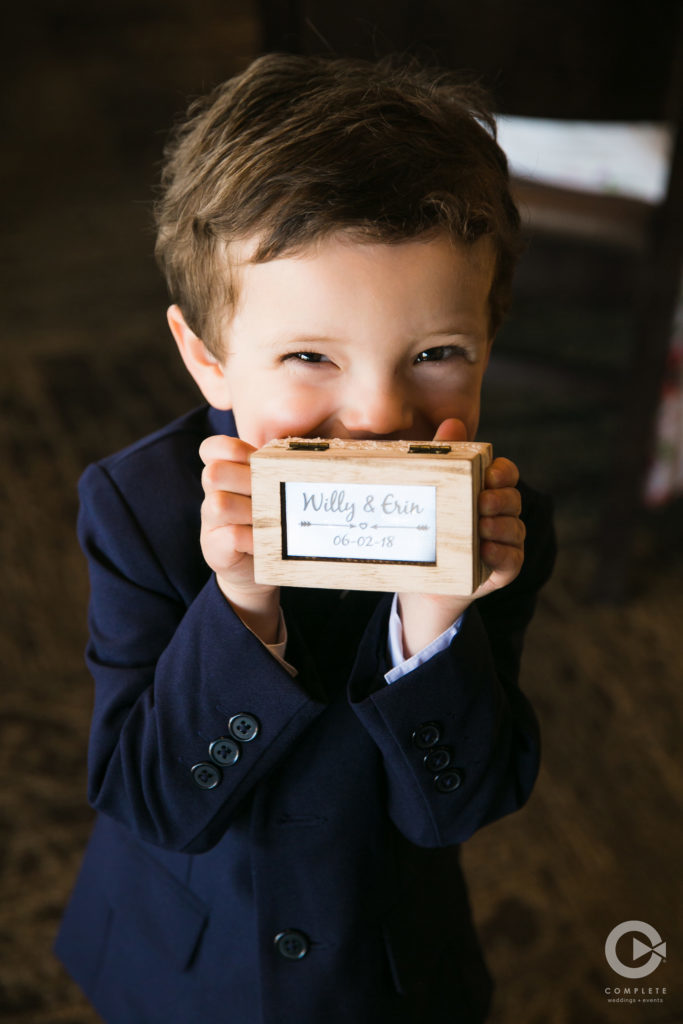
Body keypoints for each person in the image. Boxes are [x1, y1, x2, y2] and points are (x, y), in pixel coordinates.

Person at [55, 53, 555, 1023]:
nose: (376, 413)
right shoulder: (137, 507)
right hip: (185, 963)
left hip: (384, 968)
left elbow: (454, 807)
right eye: (309, 356)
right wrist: (237, 603)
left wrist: (435, 624)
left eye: (436, 353)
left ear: (487, 342)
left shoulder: (503, 523)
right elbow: (147, 795)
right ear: (208, 359)